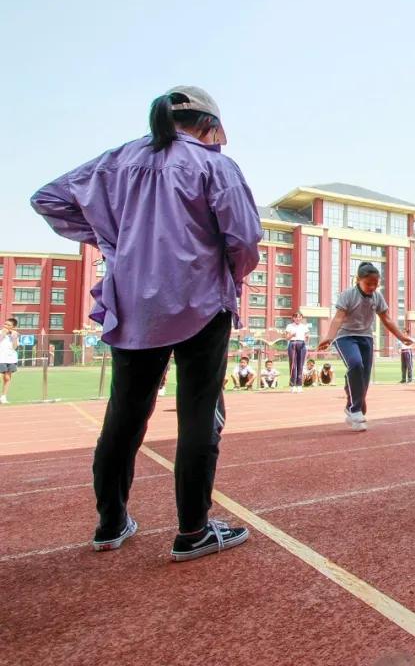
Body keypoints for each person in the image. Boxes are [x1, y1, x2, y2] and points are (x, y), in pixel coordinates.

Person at [32, 86, 262, 560]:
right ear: (210, 126)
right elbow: (243, 239)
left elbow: (48, 199)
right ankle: (193, 531)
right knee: (199, 413)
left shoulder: (114, 162)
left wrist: (116, 241)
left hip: (133, 304)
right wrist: (230, 276)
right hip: (201, 301)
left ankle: (111, 522)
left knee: (125, 414)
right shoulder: (214, 166)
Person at [317, 261, 415, 429]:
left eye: (376, 284)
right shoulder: (348, 295)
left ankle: (352, 401)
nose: (372, 287)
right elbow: (338, 318)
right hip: (345, 337)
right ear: (358, 280)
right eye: (368, 283)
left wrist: (401, 337)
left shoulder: (377, 297)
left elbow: (386, 319)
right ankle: (355, 410)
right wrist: (329, 337)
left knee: (364, 377)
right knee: (356, 364)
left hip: (366, 338)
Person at [285, 312, 311, 393]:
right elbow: (287, 338)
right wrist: (291, 335)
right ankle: (292, 385)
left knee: (301, 365)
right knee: (293, 365)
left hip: (302, 344)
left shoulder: (304, 326)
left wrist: (307, 337)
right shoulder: (289, 326)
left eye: (299, 317)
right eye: (296, 317)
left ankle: (299, 385)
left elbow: (307, 338)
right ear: (293, 318)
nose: (298, 319)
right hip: (293, 344)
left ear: (301, 318)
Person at [0, 317, 18, 404]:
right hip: (1, 358)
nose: (6, 326)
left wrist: (14, 337)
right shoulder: (0, 332)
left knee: (7, 378)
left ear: (13, 327)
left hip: (11, 359)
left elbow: (15, 347)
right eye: (5, 324)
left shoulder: (14, 334)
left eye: (8, 325)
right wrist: (2, 335)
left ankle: (3, 397)